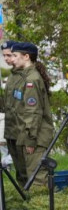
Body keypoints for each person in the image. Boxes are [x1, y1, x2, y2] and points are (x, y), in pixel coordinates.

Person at [11, 42, 55, 182]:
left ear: (26, 56)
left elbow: (33, 112)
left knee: (37, 179)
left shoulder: (32, 79)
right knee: (31, 176)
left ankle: (41, 203)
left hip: (36, 137)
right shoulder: (27, 77)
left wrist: (30, 140)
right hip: (30, 135)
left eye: (15, 55)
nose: (12, 59)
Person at [3, 41, 28, 185]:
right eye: (5, 56)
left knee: (25, 168)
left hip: (21, 129)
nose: (8, 59)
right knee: (19, 169)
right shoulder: (12, 75)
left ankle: (31, 198)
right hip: (11, 128)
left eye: (10, 55)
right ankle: (22, 196)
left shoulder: (25, 75)